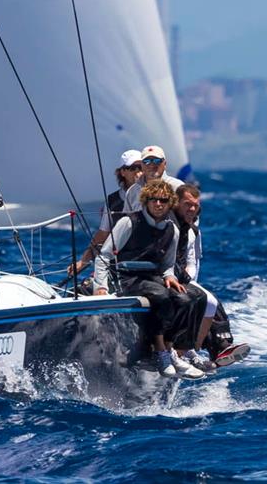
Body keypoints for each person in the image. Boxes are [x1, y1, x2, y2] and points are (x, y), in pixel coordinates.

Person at [93, 180, 204, 379]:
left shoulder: (173, 229)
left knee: (190, 297)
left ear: (169, 203)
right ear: (146, 201)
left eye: (163, 200)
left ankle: (171, 350)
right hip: (127, 278)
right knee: (161, 296)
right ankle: (160, 352)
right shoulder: (129, 222)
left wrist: (170, 276)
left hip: (153, 277)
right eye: (154, 200)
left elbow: (168, 264)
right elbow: (105, 256)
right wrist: (100, 287)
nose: (159, 204)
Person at [172, 185, 251, 369]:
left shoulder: (192, 231)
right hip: (164, 276)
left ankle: (214, 348)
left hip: (181, 277)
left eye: (195, 205)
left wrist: (187, 278)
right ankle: (188, 349)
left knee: (211, 302)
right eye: (187, 204)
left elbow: (192, 261)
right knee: (202, 302)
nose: (192, 209)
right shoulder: (169, 225)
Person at [68, 149, 142, 276]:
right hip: (121, 257)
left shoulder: (153, 195)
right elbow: (103, 233)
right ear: (123, 172)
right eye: (133, 168)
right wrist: (83, 262)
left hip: (145, 254)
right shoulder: (113, 200)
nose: (138, 171)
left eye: (141, 167)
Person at [123, 145, 184, 214]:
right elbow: (127, 218)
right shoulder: (132, 192)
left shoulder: (178, 187)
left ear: (165, 164)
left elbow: (190, 217)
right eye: (147, 161)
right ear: (142, 165)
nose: (152, 165)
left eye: (157, 161)